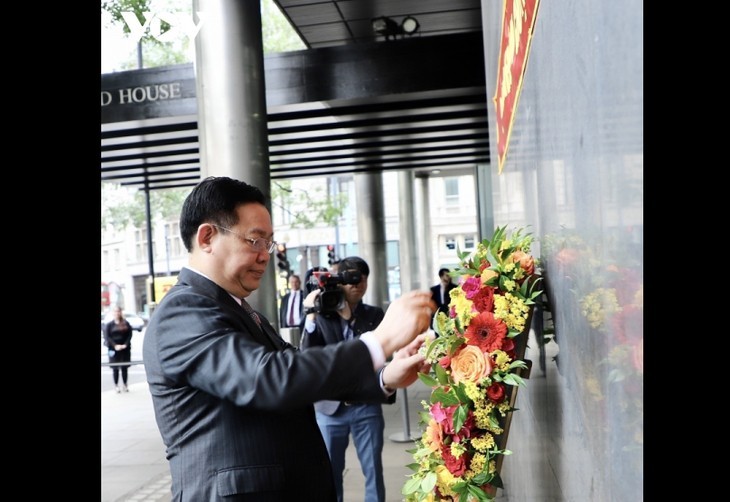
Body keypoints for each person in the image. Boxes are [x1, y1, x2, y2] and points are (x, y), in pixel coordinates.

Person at [142, 176, 436, 501]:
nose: (265, 255)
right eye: (254, 241)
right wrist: (378, 342)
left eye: (269, 243)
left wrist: (384, 376)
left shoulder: (235, 307)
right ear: (208, 237)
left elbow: (296, 372)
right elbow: (269, 378)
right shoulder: (182, 310)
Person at [299, 256, 388, 502]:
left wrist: (349, 317)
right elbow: (307, 354)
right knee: (330, 476)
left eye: (361, 278)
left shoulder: (374, 315)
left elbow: (378, 353)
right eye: (350, 279)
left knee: (373, 473)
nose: (356, 284)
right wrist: (310, 314)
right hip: (329, 409)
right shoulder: (321, 314)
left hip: (366, 407)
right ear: (339, 282)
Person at [103, 305, 133, 393]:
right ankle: (116, 385)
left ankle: (125, 384)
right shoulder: (109, 325)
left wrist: (125, 345)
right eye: (115, 311)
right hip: (113, 349)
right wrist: (115, 345)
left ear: (121, 312)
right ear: (113, 313)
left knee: (124, 367)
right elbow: (107, 337)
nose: (117, 313)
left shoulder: (125, 323)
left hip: (125, 349)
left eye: (118, 311)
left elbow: (129, 335)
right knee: (115, 368)